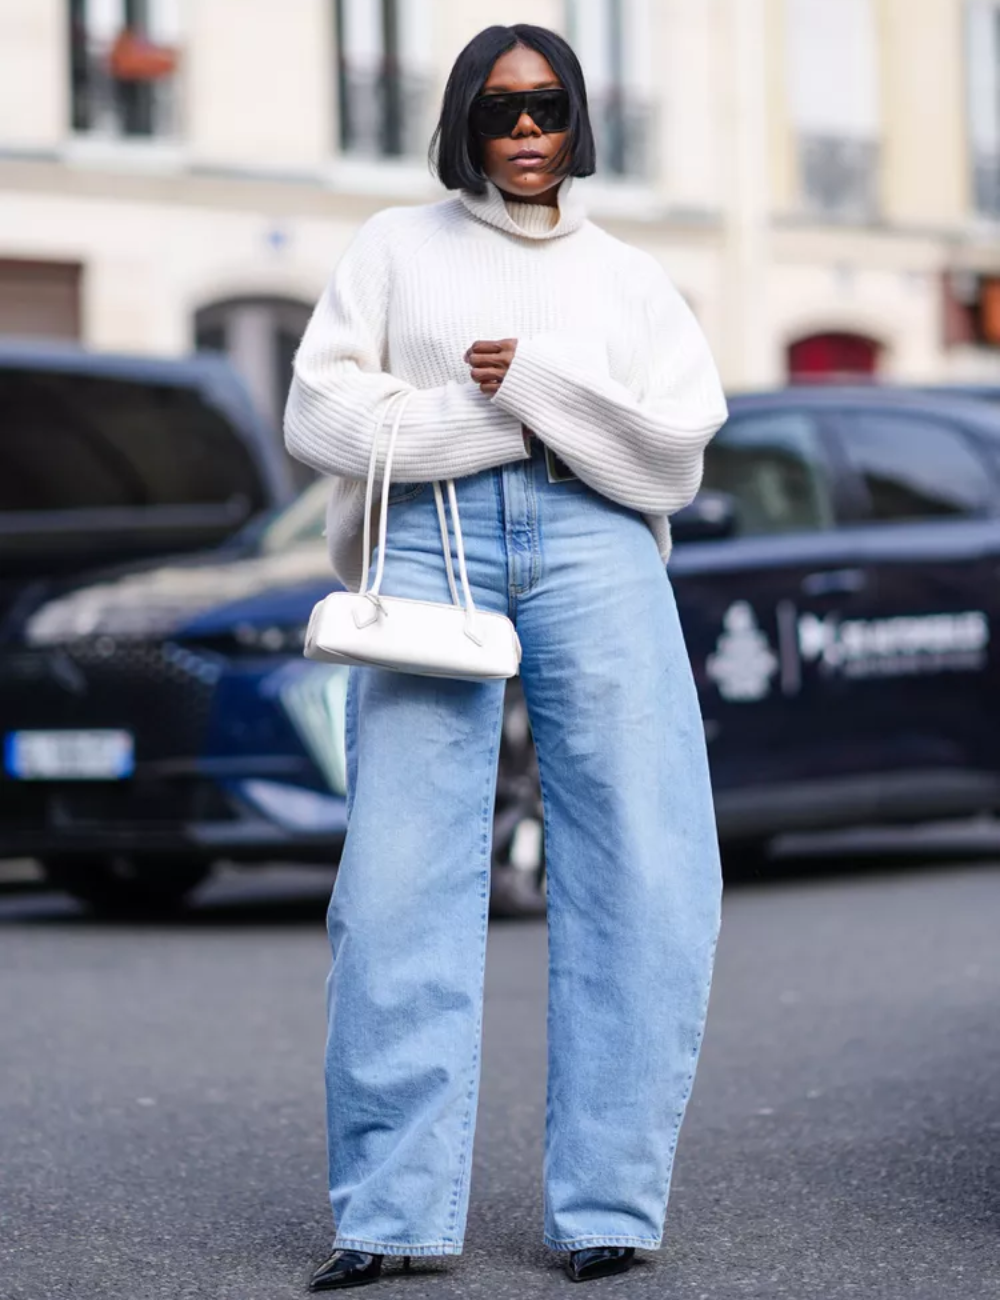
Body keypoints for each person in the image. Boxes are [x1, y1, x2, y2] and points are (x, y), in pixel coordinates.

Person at [284, 23, 728, 1291]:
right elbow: (320, 412)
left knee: (644, 861)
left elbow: (672, 458)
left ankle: (608, 1204)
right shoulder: (393, 248)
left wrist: (539, 387)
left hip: (597, 539)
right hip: (429, 541)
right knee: (399, 873)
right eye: (499, 110)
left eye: (547, 108)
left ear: (579, 121)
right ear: (463, 124)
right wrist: (481, 416)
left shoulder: (630, 277)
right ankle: (390, 1210)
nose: (525, 131)